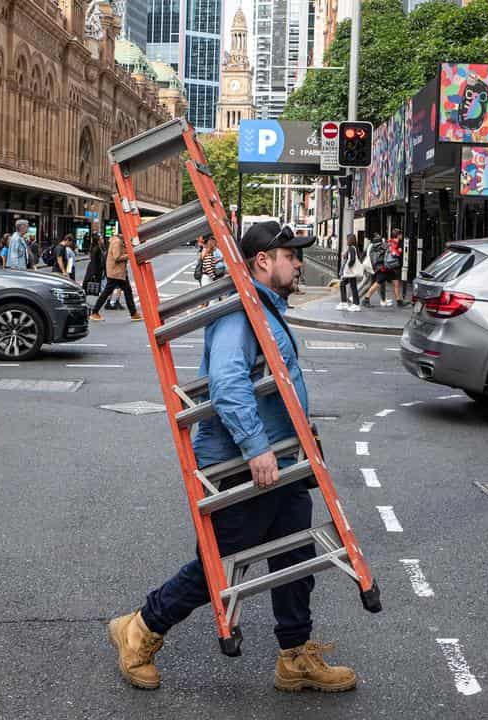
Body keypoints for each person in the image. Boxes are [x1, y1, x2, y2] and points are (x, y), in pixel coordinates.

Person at [107, 220, 357, 693]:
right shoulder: (240, 313)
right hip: (246, 463)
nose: (299, 262)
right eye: (291, 255)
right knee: (220, 563)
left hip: (281, 461)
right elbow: (226, 381)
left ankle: (294, 655)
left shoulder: (265, 308)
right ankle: (140, 628)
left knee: (295, 555)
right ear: (264, 260)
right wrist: (256, 447)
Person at [89, 228, 141, 321]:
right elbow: (117, 257)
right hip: (116, 272)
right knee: (108, 292)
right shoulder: (117, 242)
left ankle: (133, 313)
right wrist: (130, 255)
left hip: (119, 272)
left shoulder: (119, 241)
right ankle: (94, 312)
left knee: (127, 291)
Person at [359, 235, 390, 307]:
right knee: (372, 284)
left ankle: (382, 300)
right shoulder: (381, 247)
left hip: (372, 267)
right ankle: (361, 298)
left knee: (375, 283)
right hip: (376, 267)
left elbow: (363, 254)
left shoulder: (371, 246)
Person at [336, 234, 364, 312]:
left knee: (352, 287)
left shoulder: (351, 248)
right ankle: (345, 302)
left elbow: (352, 260)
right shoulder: (354, 248)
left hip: (350, 272)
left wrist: (348, 267)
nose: (346, 241)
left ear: (350, 240)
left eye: (347, 239)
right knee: (345, 284)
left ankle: (355, 304)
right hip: (351, 272)